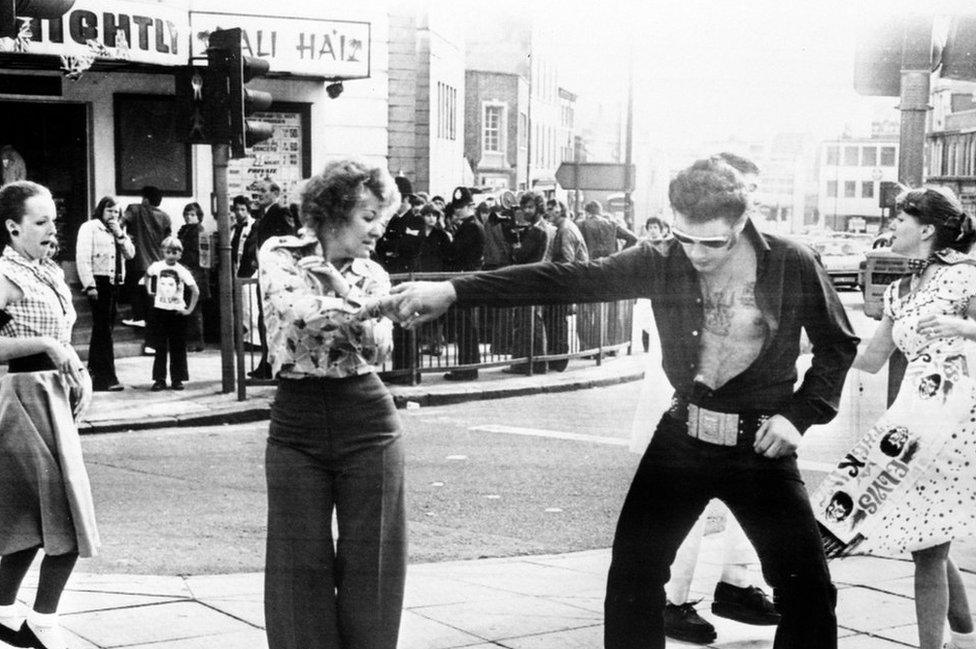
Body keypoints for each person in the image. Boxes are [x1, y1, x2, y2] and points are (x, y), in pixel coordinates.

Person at [380, 157, 858, 649]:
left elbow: (838, 344)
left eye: (712, 241)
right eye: (684, 236)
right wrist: (454, 290)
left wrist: (799, 415)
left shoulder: (790, 261)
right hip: (684, 434)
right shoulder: (660, 259)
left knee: (808, 588)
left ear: (742, 221)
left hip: (760, 442)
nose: (696, 252)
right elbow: (563, 279)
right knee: (633, 573)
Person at [813, 186, 976, 649]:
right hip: (912, 419)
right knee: (929, 538)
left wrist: (964, 327)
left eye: (900, 220)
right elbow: (871, 357)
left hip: (956, 425)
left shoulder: (966, 277)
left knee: (929, 543)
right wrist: (808, 346)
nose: (891, 227)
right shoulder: (899, 290)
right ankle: (965, 638)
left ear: (926, 228)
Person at [258, 159, 405, 649]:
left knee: (374, 562)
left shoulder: (373, 272)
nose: (377, 230)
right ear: (333, 212)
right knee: (296, 563)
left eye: (381, 218)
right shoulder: (279, 251)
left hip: (368, 419)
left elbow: (383, 348)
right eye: (369, 216)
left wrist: (340, 290)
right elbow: (297, 314)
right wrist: (364, 311)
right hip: (296, 420)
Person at [659, 150, 776, 644]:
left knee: (741, 501)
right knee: (688, 505)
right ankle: (674, 599)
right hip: (688, 400)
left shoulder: (767, 255)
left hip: (751, 405)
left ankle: (738, 583)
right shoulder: (688, 252)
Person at [0, 180, 97, 649]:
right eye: (40, 222)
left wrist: (80, 370)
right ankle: (42, 623)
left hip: (54, 396)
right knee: (66, 518)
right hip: (22, 398)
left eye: (53, 220)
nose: (51, 230)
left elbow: (64, 338)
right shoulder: (4, 274)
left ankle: (3, 612)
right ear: (12, 228)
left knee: (32, 521)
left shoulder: (48, 272)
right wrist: (46, 346)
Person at [75, 196, 134, 392]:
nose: (113, 215)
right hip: (98, 283)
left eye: (116, 212)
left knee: (104, 330)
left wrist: (120, 235)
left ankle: (95, 375)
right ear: (101, 210)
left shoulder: (119, 230)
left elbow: (130, 254)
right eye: (109, 211)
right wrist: (89, 285)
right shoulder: (90, 227)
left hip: (114, 282)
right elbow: (82, 257)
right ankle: (107, 378)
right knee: (103, 330)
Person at [144, 236, 199, 391]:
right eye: (168, 251)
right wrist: (149, 290)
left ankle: (177, 379)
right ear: (163, 252)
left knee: (178, 347)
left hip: (176, 313)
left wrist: (188, 310)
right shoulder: (157, 266)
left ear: (180, 254)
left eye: (175, 252)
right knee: (160, 347)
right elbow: (147, 275)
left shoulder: (182, 271)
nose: (171, 255)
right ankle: (159, 379)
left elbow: (195, 290)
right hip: (160, 311)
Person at [442, 186, 485, 381]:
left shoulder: (471, 227)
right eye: (456, 206)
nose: (456, 210)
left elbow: (455, 253)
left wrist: (449, 240)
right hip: (466, 279)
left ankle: (468, 367)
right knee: (465, 325)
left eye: (460, 207)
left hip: (466, 279)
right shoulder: (469, 225)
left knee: (466, 324)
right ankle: (467, 366)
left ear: (470, 206)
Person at [544, 198, 587, 372]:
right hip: (567, 281)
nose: (548, 213)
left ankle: (559, 358)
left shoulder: (565, 230)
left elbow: (567, 261)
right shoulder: (566, 227)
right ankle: (558, 357)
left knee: (556, 320)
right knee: (557, 320)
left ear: (560, 210)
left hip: (563, 283)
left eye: (552, 209)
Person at [121, 185, 171, 328]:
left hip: (138, 259)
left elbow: (120, 223)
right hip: (157, 261)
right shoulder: (165, 217)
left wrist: (126, 236)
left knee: (135, 288)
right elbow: (167, 239)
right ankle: (151, 323)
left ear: (146, 199)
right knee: (151, 293)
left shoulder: (134, 209)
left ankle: (138, 317)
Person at [177, 202, 209, 352]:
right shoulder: (185, 230)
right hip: (187, 270)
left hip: (195, 272)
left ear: (199, 216)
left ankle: (196, 341)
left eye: (192, 215)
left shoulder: (198, 231)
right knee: (189, 306)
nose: (189, 217)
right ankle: (190, 339)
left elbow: (198, 254)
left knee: (194, 308)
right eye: (187, 214)